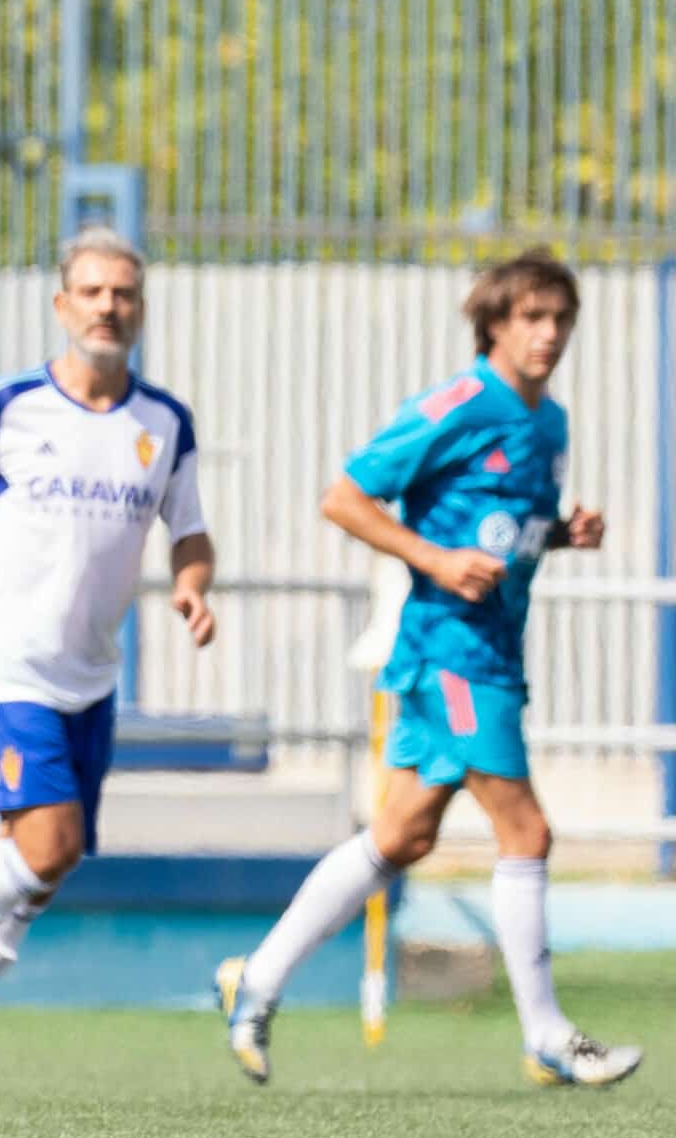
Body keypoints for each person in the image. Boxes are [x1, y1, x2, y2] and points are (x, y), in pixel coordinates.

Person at [216, 249, 641, 1088]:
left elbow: (504, 526)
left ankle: (255, 979)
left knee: (402, 836)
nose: (549, 333)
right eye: (532, 317)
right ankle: (548, 1035)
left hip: (490, 653)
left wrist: (561, 534)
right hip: (447, 652)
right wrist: (433, 560)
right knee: (527, 831)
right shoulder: (457, 404)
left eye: (561, 319)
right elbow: (343, 496)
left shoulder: (547, 421)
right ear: (494, 323)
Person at [0, 228, 217, 1093]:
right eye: (92, 292)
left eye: (123, 293)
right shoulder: (11, 405)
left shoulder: (164, 423)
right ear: (63, 307)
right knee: (48, 846)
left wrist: (194, 584)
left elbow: (191, 526)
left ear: (140, 308)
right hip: (4, 665)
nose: (108, 306)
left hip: (89, 679)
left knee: (31, 886)